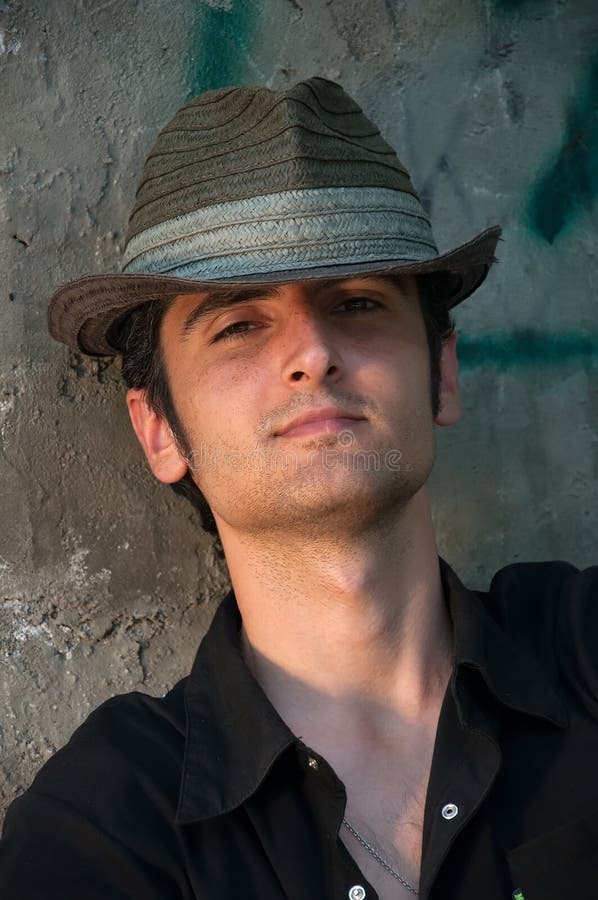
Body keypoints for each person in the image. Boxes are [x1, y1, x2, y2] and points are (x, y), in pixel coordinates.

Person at [1, 76, 597, 900]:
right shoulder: (110, 823)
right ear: (159, 429)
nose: (313, 352)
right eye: (239, 324)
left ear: (442, 373)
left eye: (357, 302)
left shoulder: (583, 650)